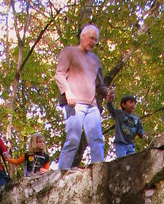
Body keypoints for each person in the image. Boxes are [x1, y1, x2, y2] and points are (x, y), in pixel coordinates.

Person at [54, 24, 109, 170]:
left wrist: (108, 93)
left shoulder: (96, 60)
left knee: (97, 139)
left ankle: (98, 171)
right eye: (91, 38)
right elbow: (59, 74)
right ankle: (61, 173)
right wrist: (67, 92)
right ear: (82, 36)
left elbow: (100, 85)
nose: (93, 42)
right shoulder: (69, 52)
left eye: (95, 40)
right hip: (74, 103)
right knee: (73, 140)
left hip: (92, 105)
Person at [105, 89, 147, 158]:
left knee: (132, 161)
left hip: (131, 145)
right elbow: (111, 109)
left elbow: (140, 130)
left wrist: (143, 134)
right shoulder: (119, 114)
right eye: (131, 102)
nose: (133, 104)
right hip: (120, 144)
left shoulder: (136, 119)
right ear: (123, 105)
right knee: (122, 160)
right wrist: (109, 101)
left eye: (134, 103)